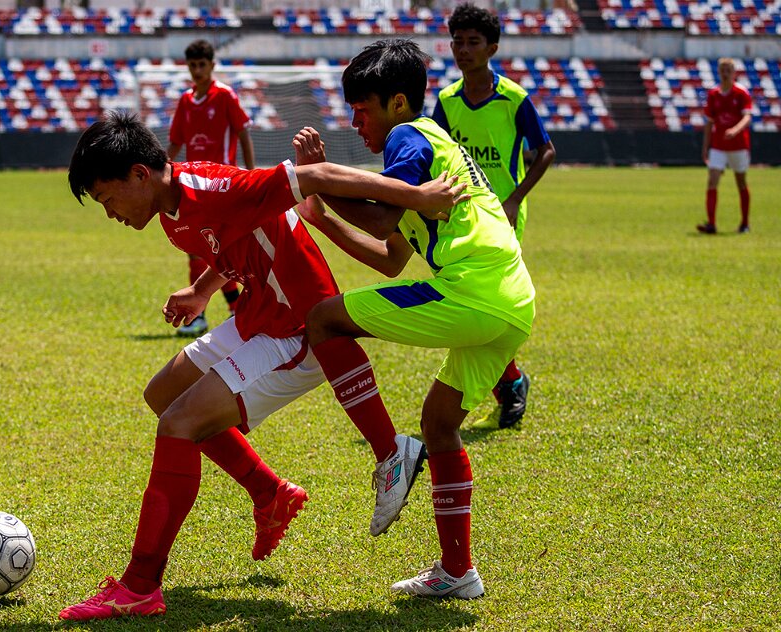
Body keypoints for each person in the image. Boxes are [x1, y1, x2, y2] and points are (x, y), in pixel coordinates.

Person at [60, 111, 468, 621]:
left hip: (295, 330)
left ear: (140, 174)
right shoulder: (171, 211)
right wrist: (201, 290)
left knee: (179, 424)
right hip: (258, 314)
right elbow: (233, 235)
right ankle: (269, 494)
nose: (110, 213)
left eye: (107, 198)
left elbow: (316, 176)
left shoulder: (212, 187)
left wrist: (417, 196)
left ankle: (141, 585)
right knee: (162, 395)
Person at [296, 38, 535, 599]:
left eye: (363, 110)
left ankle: (390, 457)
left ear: (398, 103)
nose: (355, 123)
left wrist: (317, 177)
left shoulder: (408, 137)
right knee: (440, 423)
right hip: (514, 301)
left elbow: (382, 218)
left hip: (474, 291)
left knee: (323, 319)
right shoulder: (435, 148)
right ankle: (458, 573)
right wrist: (321, 217)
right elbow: (389, 255)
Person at [431, 2, 555, 429]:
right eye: (458, 42)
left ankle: (510, 383)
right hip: (461, 214)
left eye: (473, 42)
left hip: (503, 215)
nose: (463, 50)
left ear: (492, 49)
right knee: (472, 302)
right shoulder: (446, 100)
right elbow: (435, 150)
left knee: (485, 301)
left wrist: (515, 199)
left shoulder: (514, 99)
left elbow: (545, 151)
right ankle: (511, 381)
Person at [166, 39, 256, 337]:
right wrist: (161, 169)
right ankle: (213, 314)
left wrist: (250, 173)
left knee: (225, 250)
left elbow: (243, 133)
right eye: (192, 65)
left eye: (202, 64)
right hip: (193, 187)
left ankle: (236, 310)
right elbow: (176, 141)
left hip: (223, 185)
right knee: (198, 249)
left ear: (212, 65)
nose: (197, 70)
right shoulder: (185, 101)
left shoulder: (225, 96)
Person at [698, 57, 753, 235]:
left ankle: (745, 223)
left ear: (734, 72)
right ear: (718, 72)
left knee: (741, 182)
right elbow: (709, 123)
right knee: (712, 180)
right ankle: (711, 224)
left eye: (728, 70)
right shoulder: (713, 94)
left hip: (738, 145)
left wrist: (735, 130)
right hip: (718, 146)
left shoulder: (741, 93)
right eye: (723, 70)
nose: (725, 73)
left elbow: (747, 116)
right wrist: (705, 147)